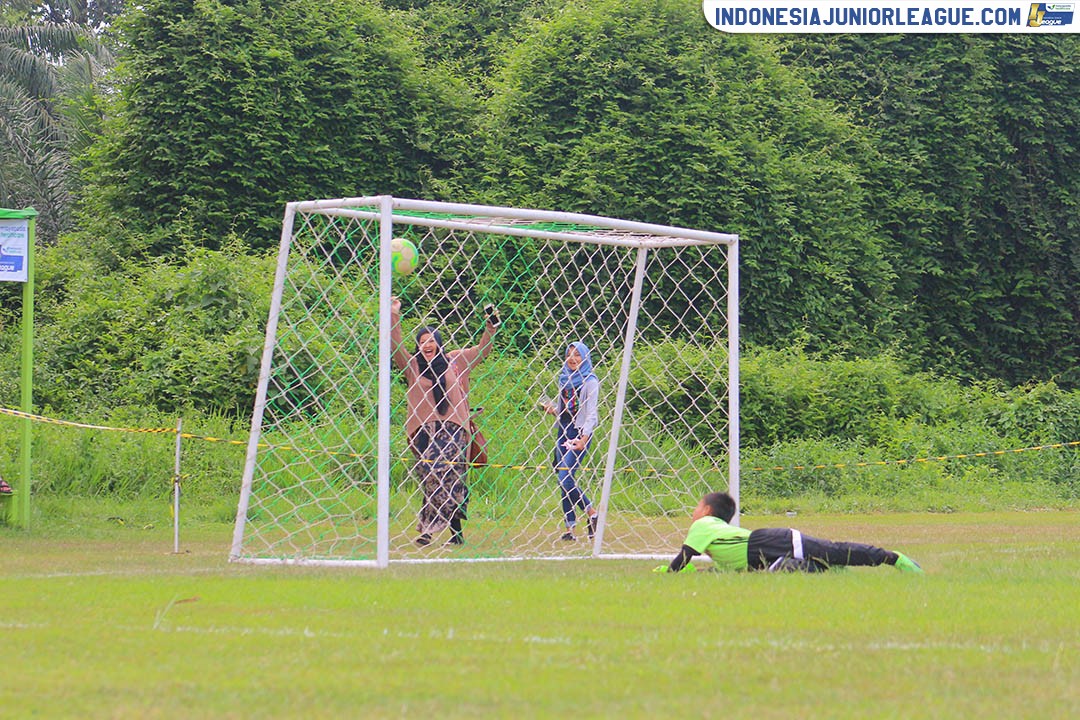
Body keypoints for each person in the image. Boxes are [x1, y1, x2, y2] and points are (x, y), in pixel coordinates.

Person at [391, 297, 499, 546]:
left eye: (431, 341)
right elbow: (395, 345)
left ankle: (429, 532)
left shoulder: (455, 361)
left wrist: (491, 326)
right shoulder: (412, 365)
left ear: (439, 344)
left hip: (454, 429)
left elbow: (483, 350)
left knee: (448, 477)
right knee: (433, 478)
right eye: (422, 342)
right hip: (423, 431)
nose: (427, 345)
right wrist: (394, 314)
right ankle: (454, 532)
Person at [656, 491, 924, 574]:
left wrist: (670, 574)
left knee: (834, 550)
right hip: (762, 556)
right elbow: (723, 568)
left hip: (769, 542)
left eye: (696, 507)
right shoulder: (719, 531)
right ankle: (831, 570)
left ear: (706, 511)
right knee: (802, 569)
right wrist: (691, 573)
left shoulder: (702, 525)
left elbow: (685, 555)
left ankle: (892, 558)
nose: (693, 512)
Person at [543, 341, 600, 541]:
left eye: (577, 354)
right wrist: (553, 410)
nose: (572, 358)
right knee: (564, 479)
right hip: (563, 432)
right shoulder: (564, 378)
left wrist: (584, 438)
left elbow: (591, 414)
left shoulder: (590, 381)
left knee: (564, 477)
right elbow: (565, 410)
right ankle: (570, 529)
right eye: (569, 354)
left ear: (585, 358)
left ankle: (592, 513)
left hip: (579, 433)